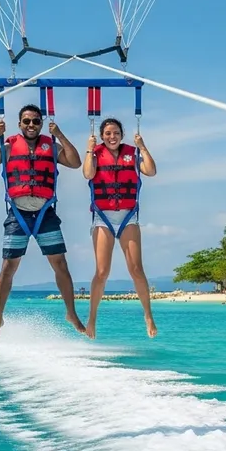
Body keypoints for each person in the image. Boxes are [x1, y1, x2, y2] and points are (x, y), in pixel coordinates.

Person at [0, 103, 86, 340]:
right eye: (26, 121)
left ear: (40, 123)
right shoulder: (8, 146)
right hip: (18, 214)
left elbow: (76, 162)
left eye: (35, 121)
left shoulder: (51, 146)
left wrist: (59, 134)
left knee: (61, 266)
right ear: (19, 124)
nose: (31, 125)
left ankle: (71, 313)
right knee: (8, 268)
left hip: (45, 212)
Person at [82, 117, 157, 339]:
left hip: (128, 215)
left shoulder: (133, 154)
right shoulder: (95, 155)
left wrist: (142, 146)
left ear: (121, 135)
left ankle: (148, 315)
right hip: (103, 216)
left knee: (136, 269)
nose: (112, 137)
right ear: (102, 136)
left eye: (115, 133)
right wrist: (89, 150)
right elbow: (88, 174)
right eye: (107, 134)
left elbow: (151, 171)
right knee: (102, 271)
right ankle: (92, 318)